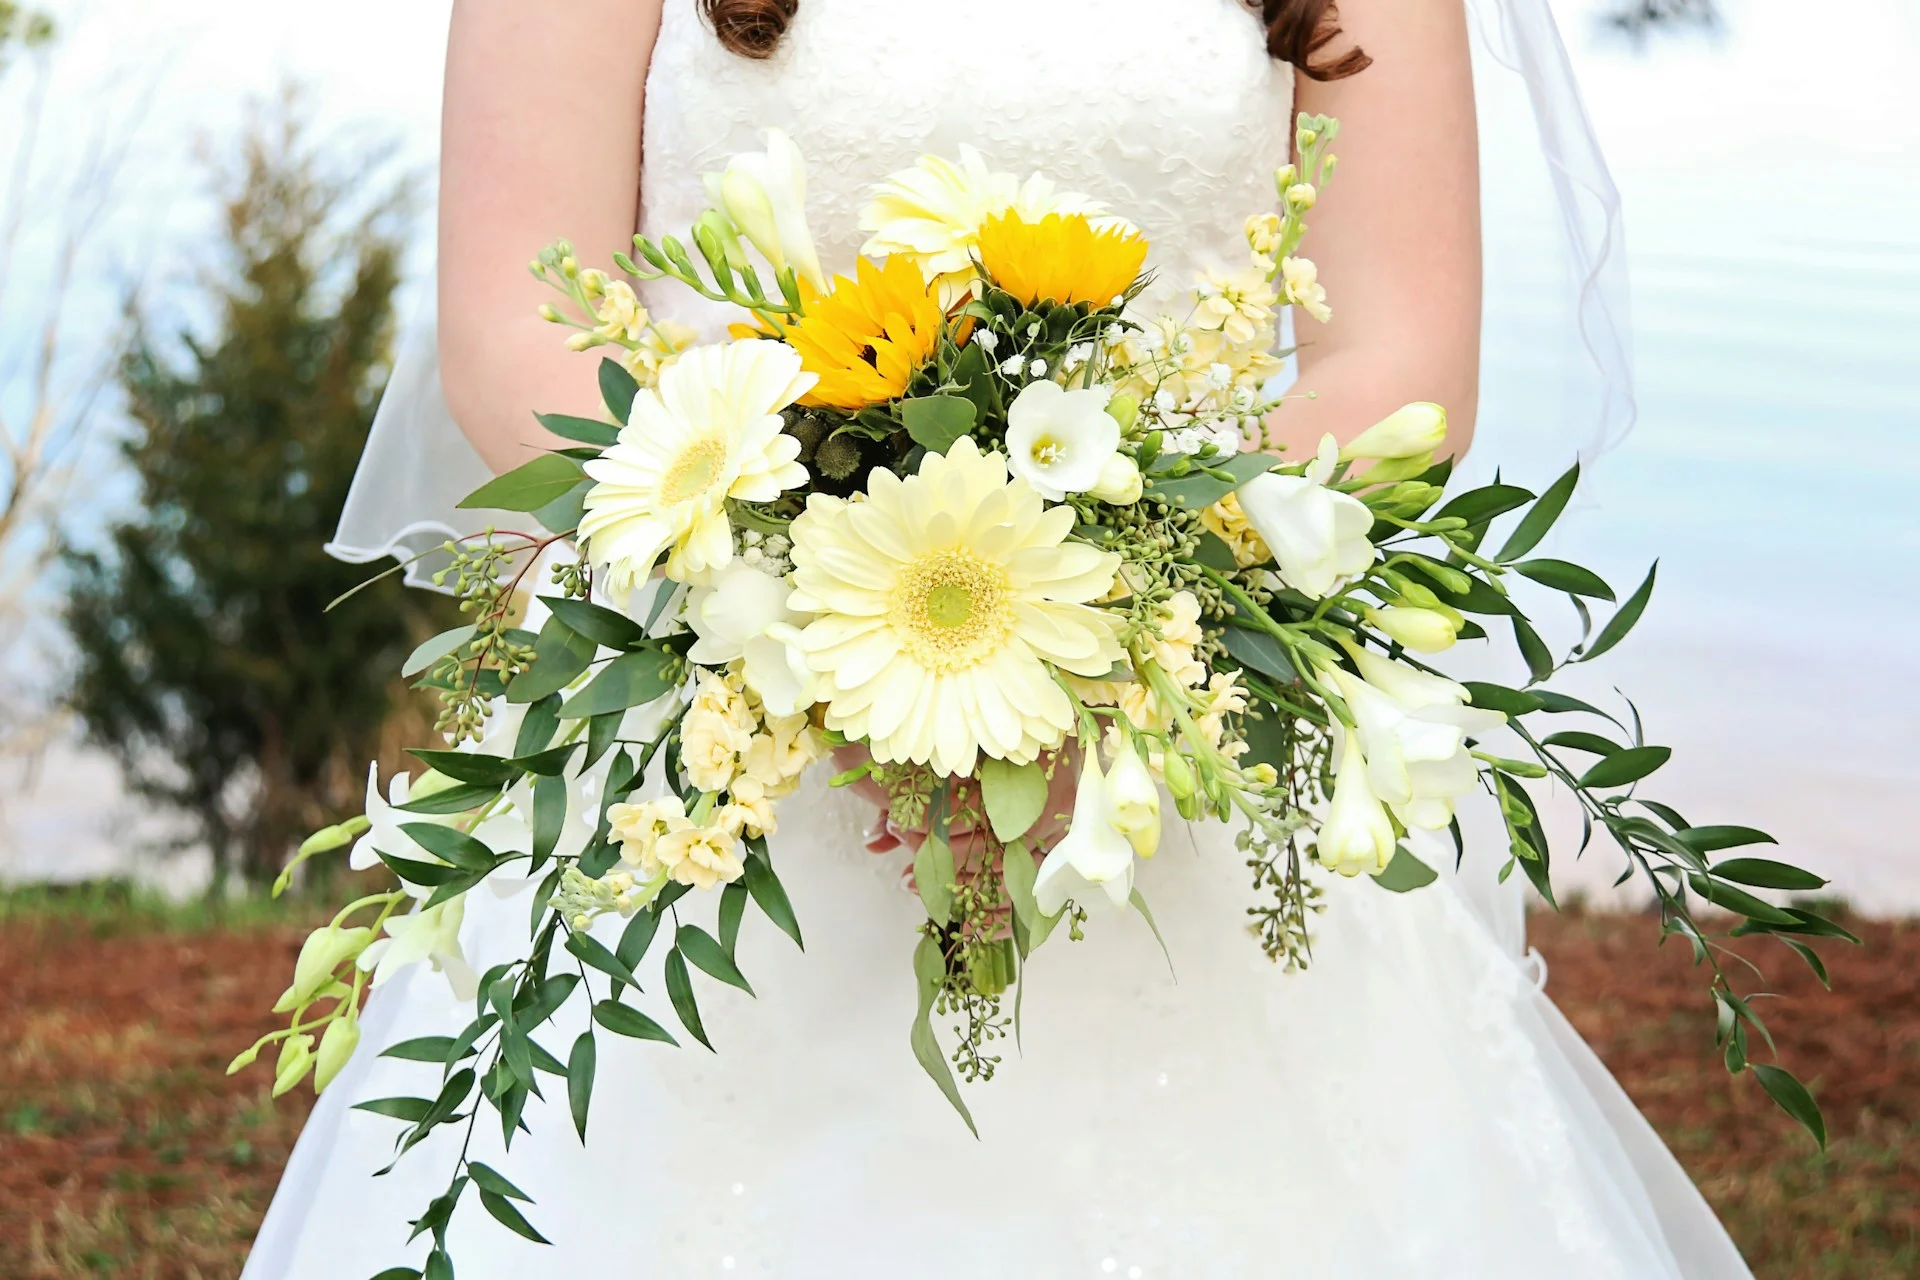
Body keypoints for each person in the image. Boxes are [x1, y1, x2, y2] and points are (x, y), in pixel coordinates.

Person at [255, 2, 1752, 1275]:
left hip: (1176, 745)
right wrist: (819, 608)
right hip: (725, 738)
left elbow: (1405, 354)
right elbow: (518, 330)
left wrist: (1110, 622)